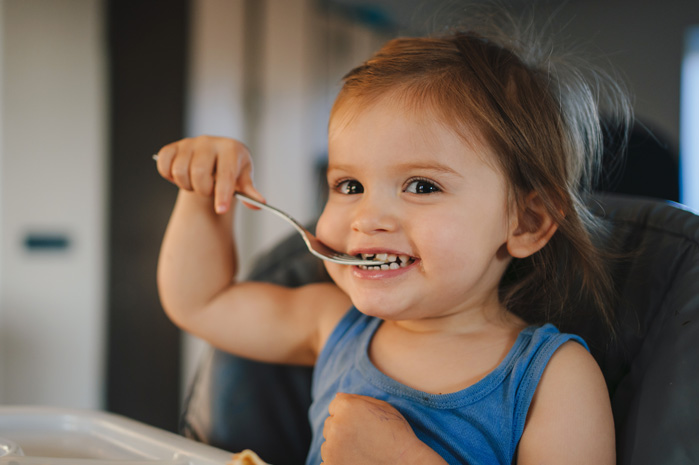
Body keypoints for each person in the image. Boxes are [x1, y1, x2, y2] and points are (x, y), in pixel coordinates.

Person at [155, 14, 629, 465]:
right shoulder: (332, 322)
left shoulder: (553, 377)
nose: (367, 217)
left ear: (525, 223)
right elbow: (202, 301)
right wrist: (202, 192)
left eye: (422, 186)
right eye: (349, 186)